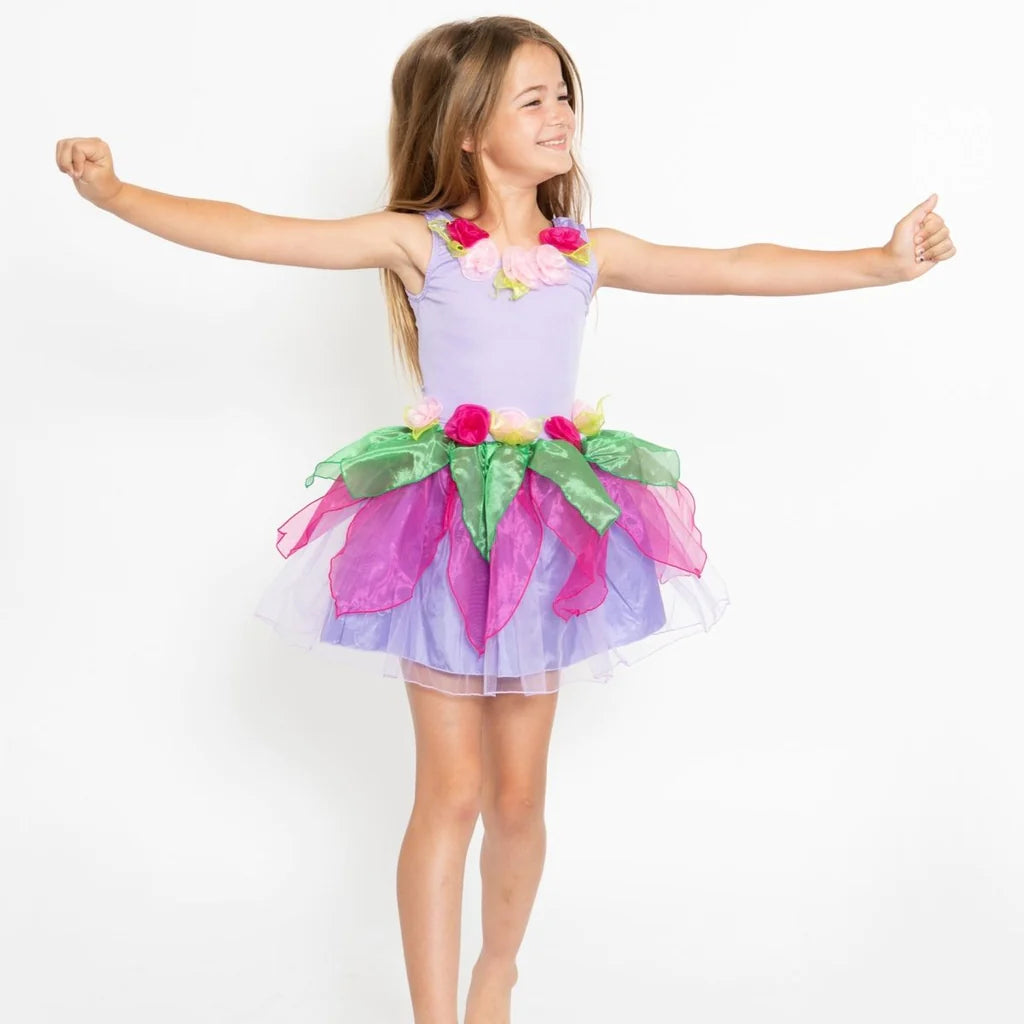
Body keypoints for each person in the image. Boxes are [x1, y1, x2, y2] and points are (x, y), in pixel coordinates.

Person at [54, 14, 956, 1024]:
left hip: (548, 531)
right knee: (448, 791)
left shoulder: (586, 254)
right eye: (532, 99)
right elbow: (258, 230)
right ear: (466, 130)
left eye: (563, 93)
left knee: (518, 797)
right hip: (440, 531)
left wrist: (880, 262)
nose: (560, 112)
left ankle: (499, 970)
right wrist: (117, 193)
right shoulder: (422, 243)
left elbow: (738, 264)